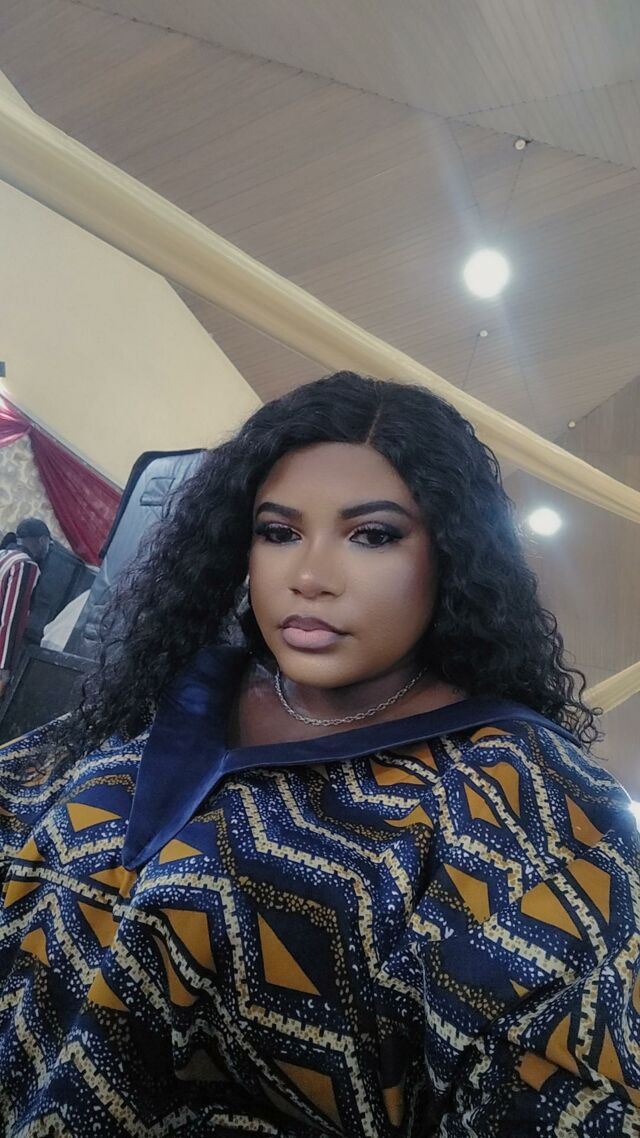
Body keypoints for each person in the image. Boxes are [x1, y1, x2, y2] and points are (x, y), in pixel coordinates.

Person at [0, 373, 638, 1137]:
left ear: (452, 553)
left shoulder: (522, 794)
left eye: (373, 535)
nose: (309, 577)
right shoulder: (166, 695)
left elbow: (577, 1091)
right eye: (279, 532)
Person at [0, 516, 51, 699]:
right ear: (42, 540)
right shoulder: (24, 565)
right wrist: (4, 665)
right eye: (49, 544)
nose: (47, 549)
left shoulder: (4, 554)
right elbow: (12, 617)